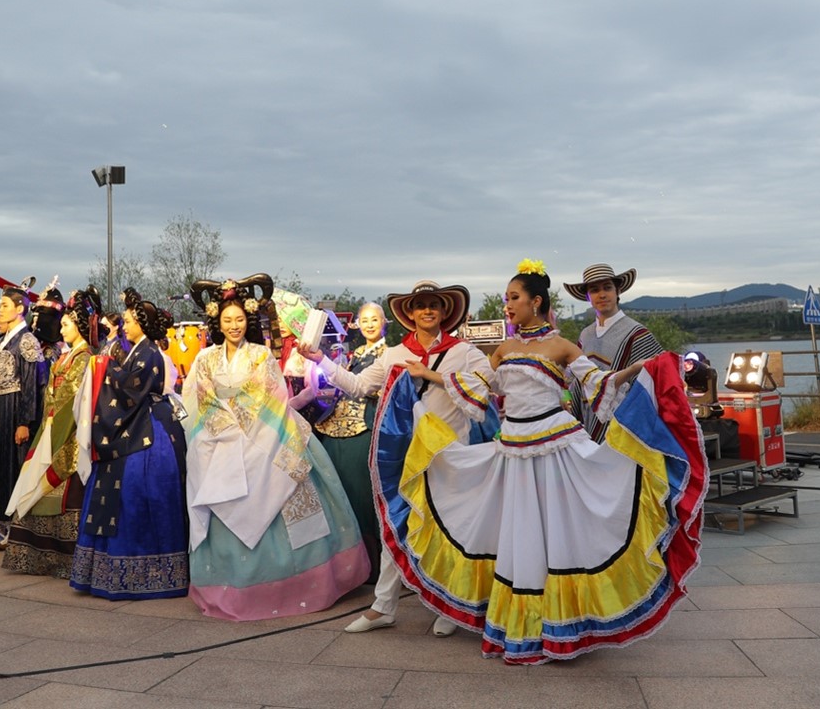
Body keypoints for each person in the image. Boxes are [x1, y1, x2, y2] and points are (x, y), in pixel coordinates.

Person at [375, 260, 705, 664]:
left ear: (536, 302)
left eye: (514, 298)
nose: (508, 305)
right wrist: (429, 373)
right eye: (506, 298)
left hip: (556, 448)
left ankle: (561, 622)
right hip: (512, 450)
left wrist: (643, 368)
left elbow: (598, 385)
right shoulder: (504, 349)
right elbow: (479, 388)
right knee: (519, 534)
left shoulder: (563, 346)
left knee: (557, 532)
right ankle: (524, 622)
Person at [296, 279, 494, 636]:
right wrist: (321, 360)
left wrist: (432, 376)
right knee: (398, 525)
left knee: (451, 531)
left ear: (445, 311)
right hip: (407, 456)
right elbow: (356, 385)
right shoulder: (393, 355)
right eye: (421, 305)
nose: (427, 310)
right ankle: (383, 606)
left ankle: (450, 606)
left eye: (434, 304)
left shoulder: (465, 352)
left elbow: (485, 386)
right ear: (411, 314)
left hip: (452, 454)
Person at [182, 275, 367, 620]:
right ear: (217, 324)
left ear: (247, 321)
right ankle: (230, 585)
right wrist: (225, 426)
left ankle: (300, 583)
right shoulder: (205, 358)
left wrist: (242, 425)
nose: (234, 326)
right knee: (222, 498)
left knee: (291, 489)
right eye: (227, 320)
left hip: (265, 435)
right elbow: (198, 399)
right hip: (221, 439)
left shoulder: (261, 354)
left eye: (239, 319)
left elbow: (271, 397)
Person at [66, 288, 188, 597]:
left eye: (131, 321)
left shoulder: (150, 353)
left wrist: (103, 367)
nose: (126, 325)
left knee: (139, 491)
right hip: (139, 421)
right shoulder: (138, 350)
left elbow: (130, 387)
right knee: (127, 491)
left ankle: (146, 572)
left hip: (149, 429)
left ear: (143, 325)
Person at [3, 288, 98, 574]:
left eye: (67, 324)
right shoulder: (66, 358)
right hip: (52, 429)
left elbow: (73, 404)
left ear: (80, 327)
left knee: (63, 494)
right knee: (35, 489)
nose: (62, 328)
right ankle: (40, 557)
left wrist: (56, 433)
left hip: (68, 434)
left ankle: (64, 560)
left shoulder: (84, 360)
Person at [307, 301, 389, 584]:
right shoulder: (352, 355)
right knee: (340, 500)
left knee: (365, 500)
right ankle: (351, 566)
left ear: (384, 322)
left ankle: (377, 568)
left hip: (363, 430)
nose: (368, 324)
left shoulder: (388, 355)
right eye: (364, 320)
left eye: (374, 319)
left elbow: (371, 389)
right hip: (334, 429)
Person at [0, 287, 45, 549]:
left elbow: (32, 383)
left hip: (15, 415)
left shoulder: (26, 341)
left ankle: (18, 531)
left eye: (4, 305)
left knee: (15, 470)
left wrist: (25, 421)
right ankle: (5, 529)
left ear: (19, 309)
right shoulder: (4, 341)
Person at [564, 263, 665, 442]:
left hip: (626, 430)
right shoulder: (585, 335)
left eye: (607, 287)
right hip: (587, 425)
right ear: (588, 297)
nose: (602, 294)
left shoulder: (637, 333)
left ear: (618, 291)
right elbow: (575, 381)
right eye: (594, 290)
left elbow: (660, 381)